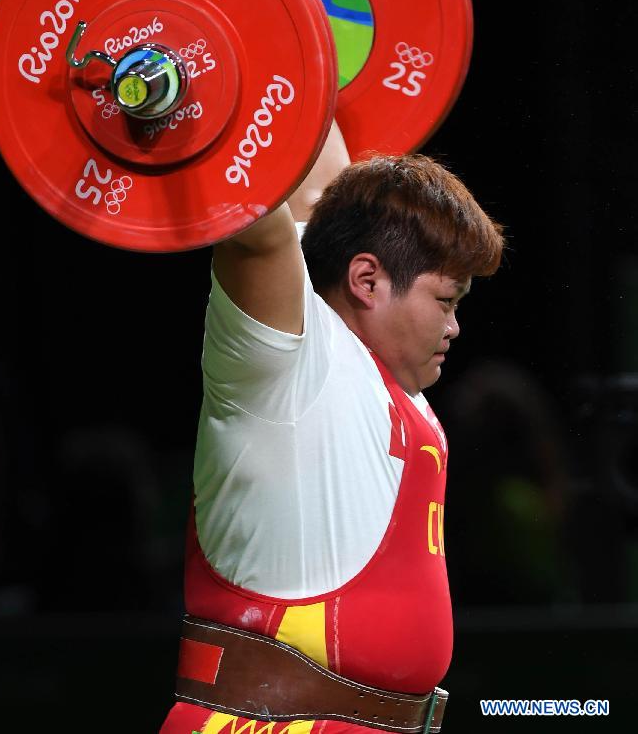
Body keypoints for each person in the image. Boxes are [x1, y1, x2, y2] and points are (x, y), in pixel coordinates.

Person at [160, 121, 504, 734]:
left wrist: (295, 39)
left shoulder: (390, 380)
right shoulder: (287, 362)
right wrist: (187, 101)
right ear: (367, 281)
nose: (455, 328)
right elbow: (256, 226)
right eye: (447, 302)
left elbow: (311, 137)